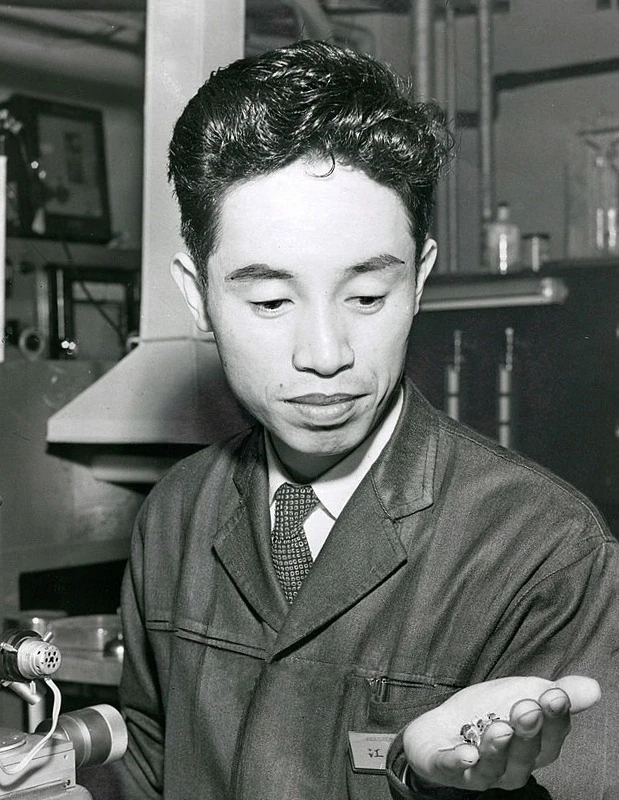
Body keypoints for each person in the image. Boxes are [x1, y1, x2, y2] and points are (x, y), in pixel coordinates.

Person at [109, 40, 618, 799]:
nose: (325, 354)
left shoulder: (545, 551)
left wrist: (440, 786)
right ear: (197, 295)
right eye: (270, 301)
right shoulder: (174, 516)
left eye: (367, 297)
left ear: (419, 281)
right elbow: (149, 761)